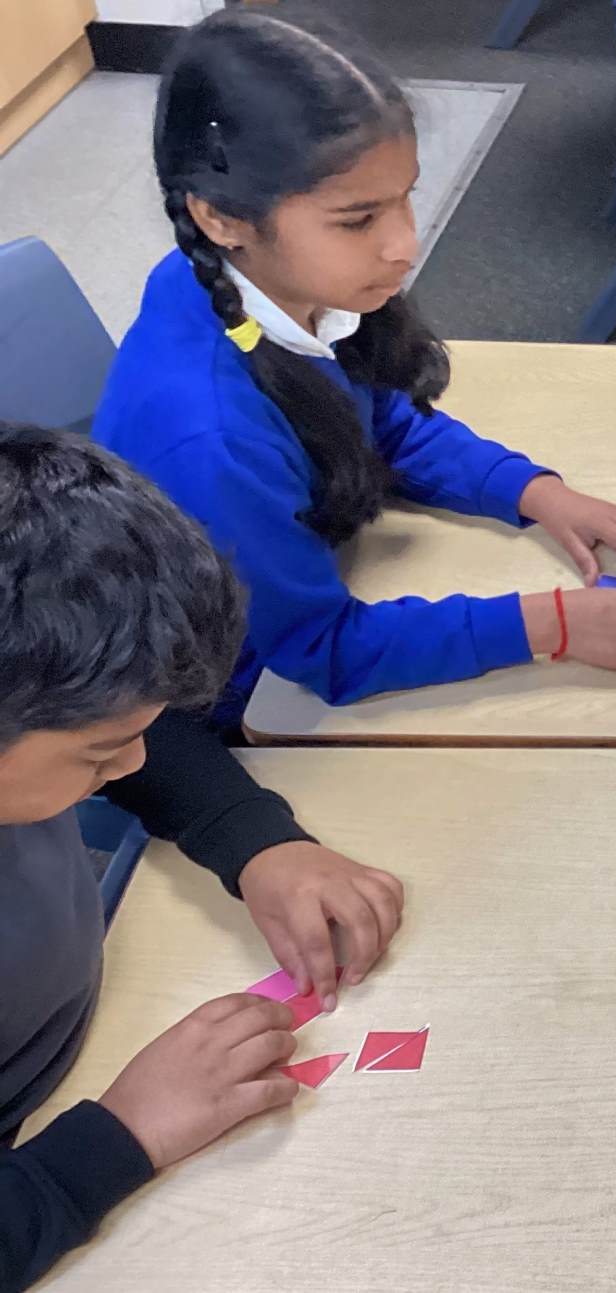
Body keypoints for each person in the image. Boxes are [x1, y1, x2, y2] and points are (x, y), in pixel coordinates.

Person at [92, 9, 616, 726]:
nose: (405, 245)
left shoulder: (268, 283)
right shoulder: (212, 438)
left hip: (317, 573)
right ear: (222, 218)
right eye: (358, 219)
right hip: (238, 700)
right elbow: (317, 650)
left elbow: (379, 418)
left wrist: (534, 491)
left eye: (406, 198)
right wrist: (554, 624)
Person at [0, 423, 402, 1289]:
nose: (134, 762)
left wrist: (255, 841)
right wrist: (118, 1137)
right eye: (99, 757)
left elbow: (125, 723)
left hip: (91, 1015)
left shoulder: (40, 702)